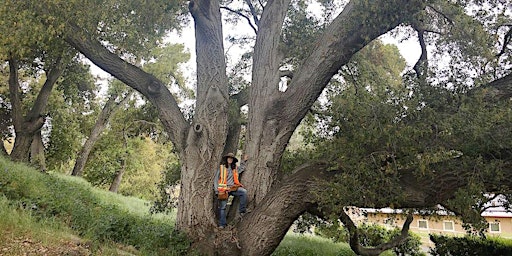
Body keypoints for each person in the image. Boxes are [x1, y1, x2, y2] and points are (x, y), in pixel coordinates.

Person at [214, 152, 248, 228]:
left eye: (231, 158)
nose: (230, 159)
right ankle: (222, 224)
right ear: (226, 159)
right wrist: (217, 190)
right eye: (229, 158)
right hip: (224, 190)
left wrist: (244, 161)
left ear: (233, 160)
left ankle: (242, 211)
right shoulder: (221, 168)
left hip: (233, 188)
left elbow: (241, 169)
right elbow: (216, 179)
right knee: (222, 207)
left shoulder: (234, 168)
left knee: (244, 192)